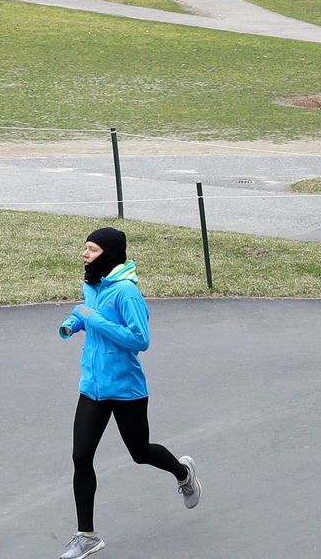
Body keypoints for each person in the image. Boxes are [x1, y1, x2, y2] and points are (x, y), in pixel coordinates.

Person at [57, 227, 199, 559]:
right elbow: (91, 318)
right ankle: (86, 536)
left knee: (140, 452)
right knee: (81, 457)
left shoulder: (126, 293)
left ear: (107, 254)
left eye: (91, 249)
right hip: (92, 386)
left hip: (126, 390)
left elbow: (140, 339)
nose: (84, 254)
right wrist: (73, 322)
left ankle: (182, 472)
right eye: (85, 248)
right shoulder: (92, 285)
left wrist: (90, 319)